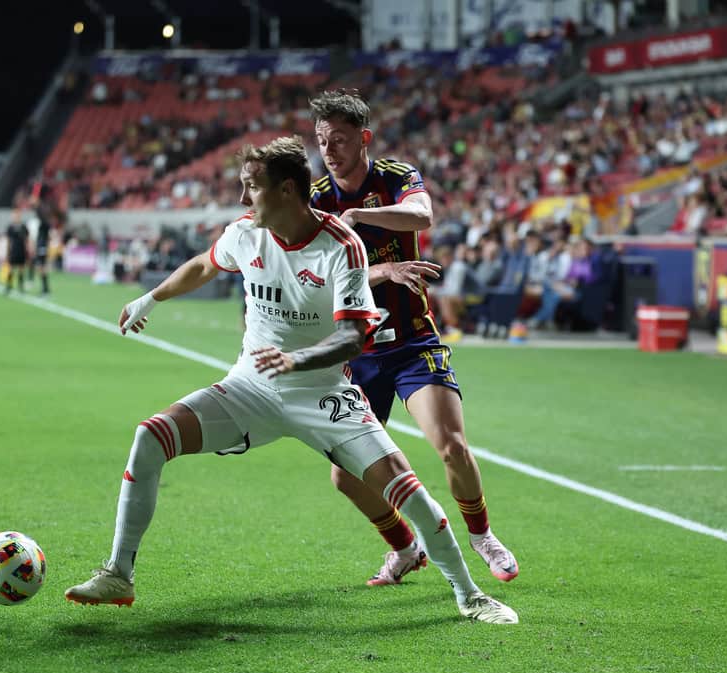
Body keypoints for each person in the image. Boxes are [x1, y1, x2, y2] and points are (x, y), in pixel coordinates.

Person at [65, 137, 517, 623]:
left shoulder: (342, 247)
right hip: (249, 389)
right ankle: (118, 573)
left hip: (323, 395)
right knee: (150, 436)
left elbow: (352, 337)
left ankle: (470, 596)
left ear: (285, 190)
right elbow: (202, 264)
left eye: (251, 188)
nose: (242, 200)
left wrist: (297, 361)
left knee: (409, 491)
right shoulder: (245, 233)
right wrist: (149, 300)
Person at [308, 90, 518, 587]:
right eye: (321, 141)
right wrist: (384, 269)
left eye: (338, 140)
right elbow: (320, 274)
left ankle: (482, 535)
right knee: (344, 476)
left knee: (452, 446)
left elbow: (422, 216)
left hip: (412, 344)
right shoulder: (315, 196)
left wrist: (359, 219)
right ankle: (404, 548)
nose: (329, 151)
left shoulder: (396, 176)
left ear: (364, 139)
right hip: (357, 356)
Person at [4, 208, 29, 295]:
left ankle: (20, 287)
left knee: (21, 270)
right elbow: (8, 241)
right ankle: (8, 286)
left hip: (22, 250)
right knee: (11, 269)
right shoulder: (10, 227)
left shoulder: (23, 227)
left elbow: (26, 240)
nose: (15, 217)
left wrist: (28, 251)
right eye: (14, 216)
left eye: (17, 216)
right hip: (13, 251)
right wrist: (7, 252)